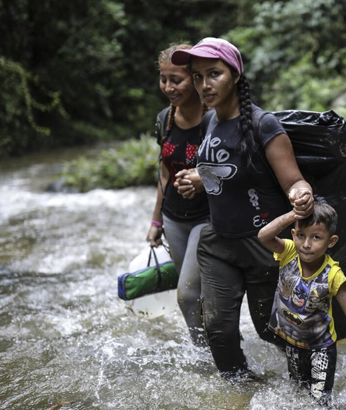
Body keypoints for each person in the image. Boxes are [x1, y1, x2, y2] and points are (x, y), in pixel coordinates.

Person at [170, 38, 315, 378]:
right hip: (219, 242)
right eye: (197, 76)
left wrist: (302, 194)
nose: (204, 85)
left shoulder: (264, 126)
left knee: (269, 330)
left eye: (214, 74)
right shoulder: (208, 122)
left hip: (263, 245)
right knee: (218, 332)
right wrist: (197, 179)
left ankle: (310, 379)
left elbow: (294, 180)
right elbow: (222, 173)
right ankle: (245, 394)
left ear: (235, 75)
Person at [257, 201, 346, 405]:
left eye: (316, 237)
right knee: (297, 393)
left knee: (320, 401)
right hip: (292, 343)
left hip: (320, 349)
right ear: (293, 234)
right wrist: (294, 214)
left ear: (331, 241)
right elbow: (263, 236)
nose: (307, 244)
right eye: (301, 235)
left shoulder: (333, 275)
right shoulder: (289, 252)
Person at [146, 43, 210, 346]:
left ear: (196, 79)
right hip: (173, 218)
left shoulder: (215, 119)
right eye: (164, 79)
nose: (169, 87)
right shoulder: (164, 118)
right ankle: (206, 347)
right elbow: (165, 173)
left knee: (186, 293)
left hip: (207, 218)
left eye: (177, 80)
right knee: (195, 293)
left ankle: (206, 351)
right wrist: (156, 221)